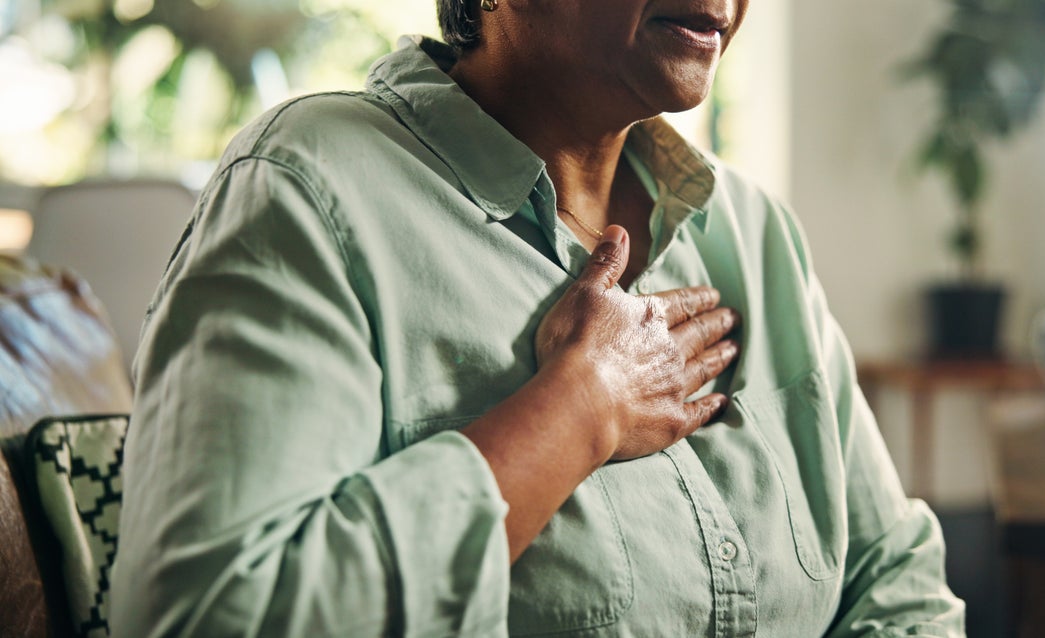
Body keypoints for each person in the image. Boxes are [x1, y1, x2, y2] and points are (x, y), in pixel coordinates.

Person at [111, 0, 966, 635]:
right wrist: (576, 411)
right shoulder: (310, 190)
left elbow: (894, 577)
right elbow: (214, 616)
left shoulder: (751, 229)